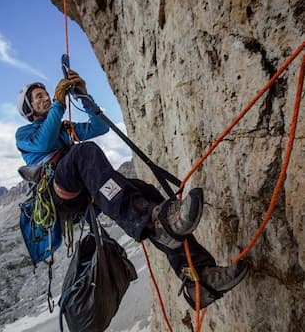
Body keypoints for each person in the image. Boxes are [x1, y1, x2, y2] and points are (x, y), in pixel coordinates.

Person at [15, 70, 249, 308]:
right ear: (29, 109)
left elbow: (99, 127)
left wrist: (84, 97)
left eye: (46, 94)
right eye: (38, 97)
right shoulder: (24, 134)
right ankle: (152, 222)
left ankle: (199, 278)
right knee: (85, 151)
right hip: (60, 191)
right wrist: (58, 102)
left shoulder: (63, 127)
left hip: (83, 188)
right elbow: (44, 142)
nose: (45, 98)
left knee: (145, 192)